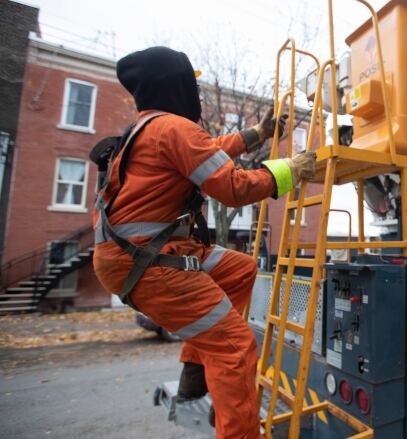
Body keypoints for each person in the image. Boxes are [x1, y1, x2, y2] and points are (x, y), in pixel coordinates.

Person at [92, 46, 315, 438]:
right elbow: (232, 187)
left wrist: (258, 134)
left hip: (138, 255)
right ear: (176, 86)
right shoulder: (173, 129)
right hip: (146, 260)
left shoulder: (148, 129)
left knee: (241, 269)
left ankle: (196, 368)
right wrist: (289, 171)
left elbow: (208, 150)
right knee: (234, 347)